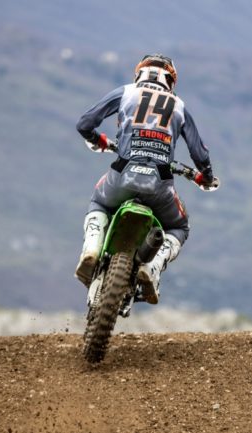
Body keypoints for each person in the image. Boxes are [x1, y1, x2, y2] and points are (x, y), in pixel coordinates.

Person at [75, 53, 215, 304]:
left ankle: (91, 249)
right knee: (179, 227)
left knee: (99, 203)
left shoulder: (126, 92)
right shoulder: (179, 106)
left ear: (140, 73)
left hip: (121, 175)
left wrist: (99, 140)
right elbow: (199, 154)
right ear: (170, 80)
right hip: (160, 186)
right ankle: (152, 267)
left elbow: (85, 124)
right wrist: (205, 177)